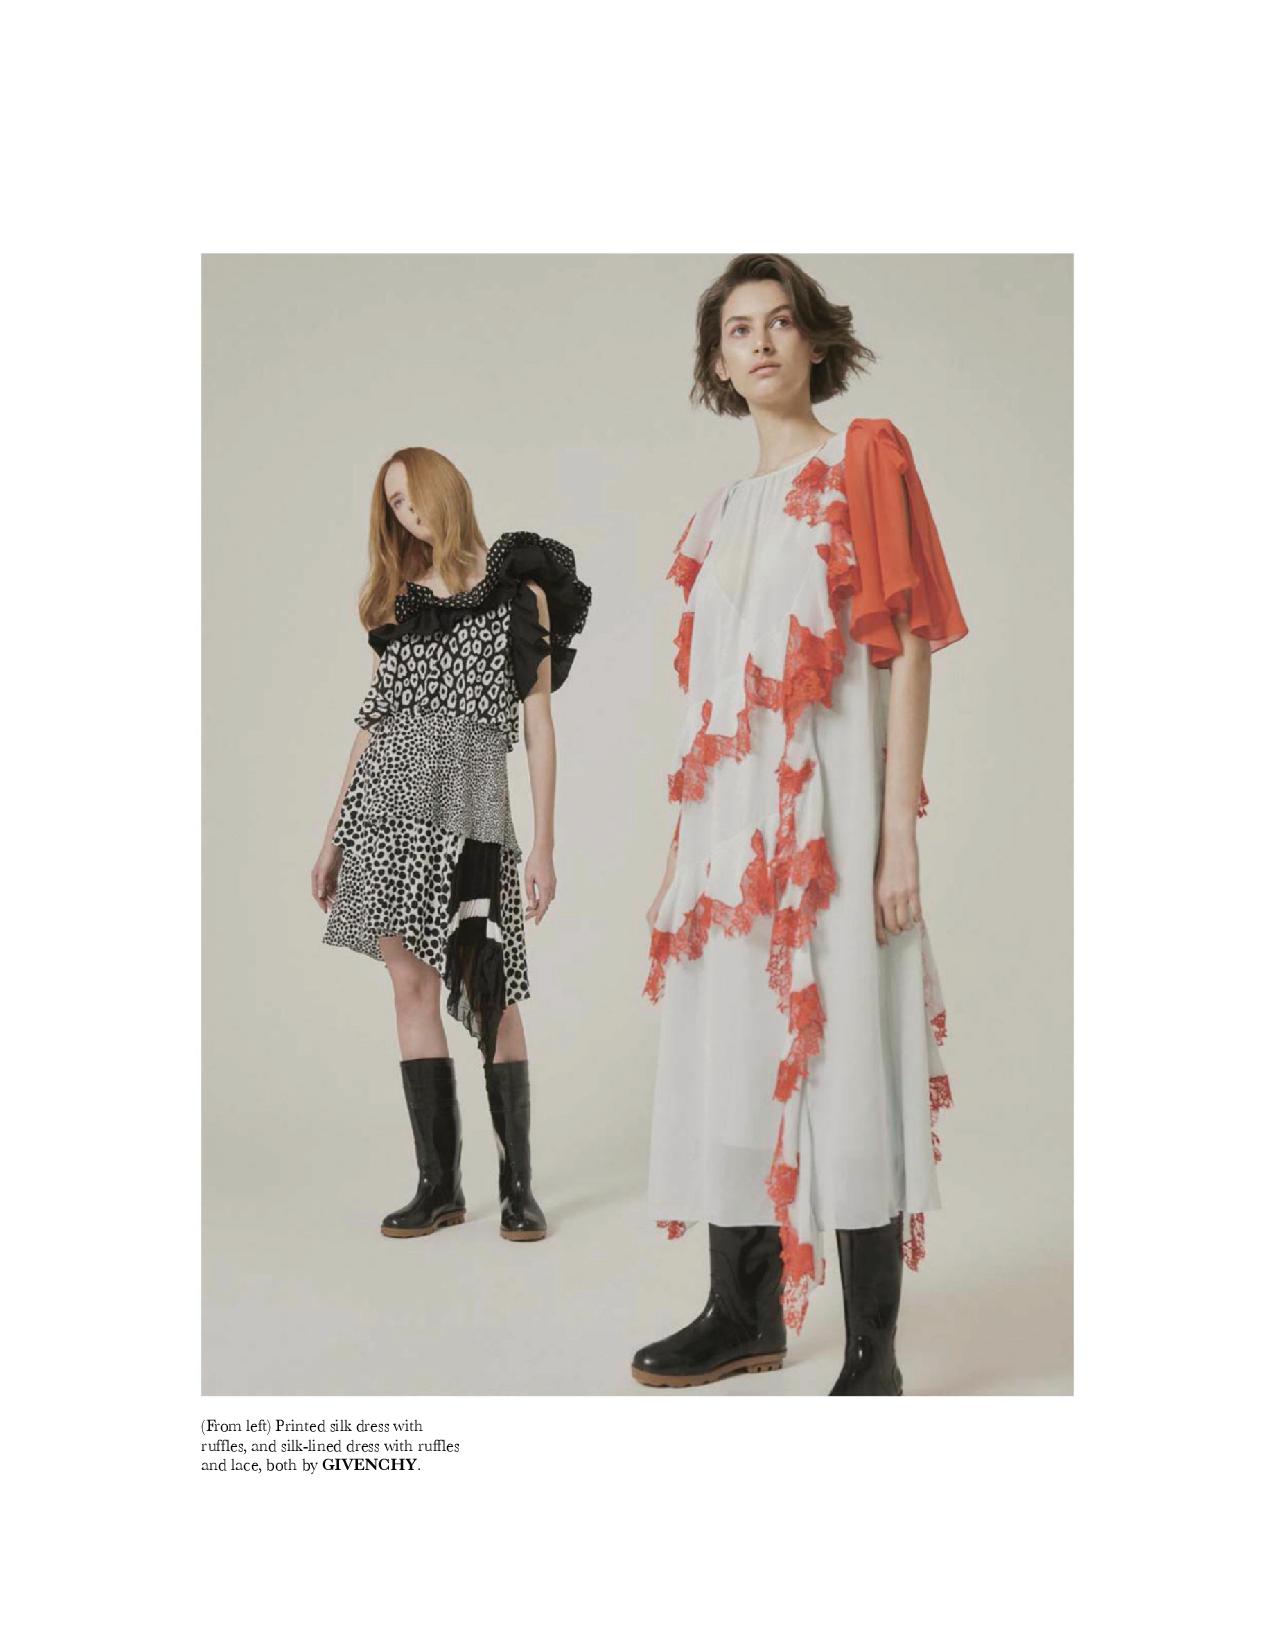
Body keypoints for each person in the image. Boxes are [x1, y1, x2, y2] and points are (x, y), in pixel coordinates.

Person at [634, 256, 967, 1395]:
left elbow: (907, 648)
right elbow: (713, 706)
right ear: (718, 362)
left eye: (782, 322)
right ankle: (742, 1315)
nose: (763, 342)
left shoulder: (863, 460)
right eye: (740, 329)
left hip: (832, 825)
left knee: (850, 1052)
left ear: (815, 342)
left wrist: (897, 832)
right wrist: (685, 860)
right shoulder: (718, 513)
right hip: (732, 844)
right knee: (732, 1051)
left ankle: (873, 1350)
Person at [312, 447, 590, 1244]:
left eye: (412, 496)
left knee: (492, 993)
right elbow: (372, 724)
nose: (407, 514)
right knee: (409, 989)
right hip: (386, 813)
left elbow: (538, 727)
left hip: (472, 811)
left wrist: (544, 844)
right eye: (393, 505)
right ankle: (438, 1187)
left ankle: (518, 1188)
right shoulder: (401, 604)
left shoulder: (519, 595)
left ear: (446, 490)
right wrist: (332, 837)